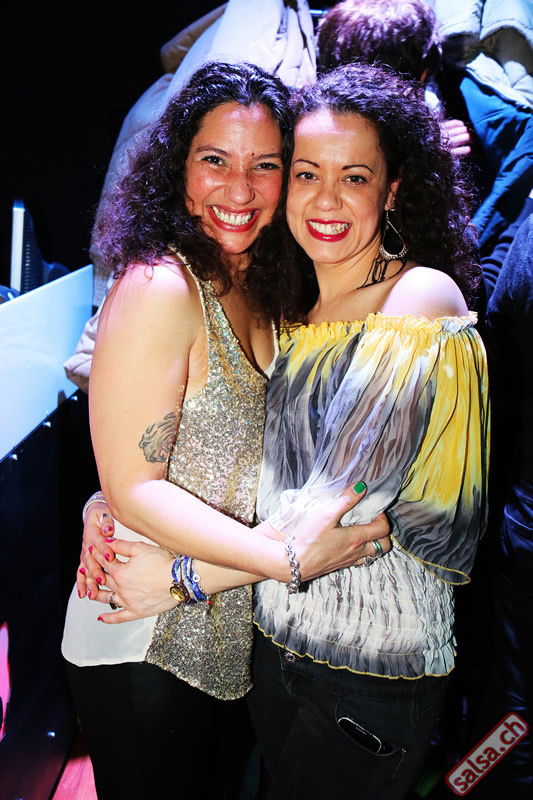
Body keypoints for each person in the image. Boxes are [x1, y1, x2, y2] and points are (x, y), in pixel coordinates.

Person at [82, 62, 489, 799]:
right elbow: (163, 463)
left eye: (266, 165)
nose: (242, 189)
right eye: (306, 173)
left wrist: (182, 578)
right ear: (178, 170)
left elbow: (348, 510)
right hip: (210, 641)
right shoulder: (224, 292)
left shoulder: (394, 297)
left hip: (348, 660)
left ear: (393, 190)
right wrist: (110, 500)